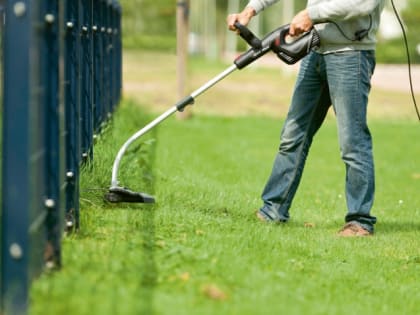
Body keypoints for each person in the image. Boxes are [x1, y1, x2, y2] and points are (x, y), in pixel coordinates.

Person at [227, 0, 386, 236]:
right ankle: (273, 209)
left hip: (351, 55)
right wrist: (251, 10)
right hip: (316, 51)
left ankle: (360, 221)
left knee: (352, 141)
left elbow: (362, 4)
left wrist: (312, 14)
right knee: (293, 134)